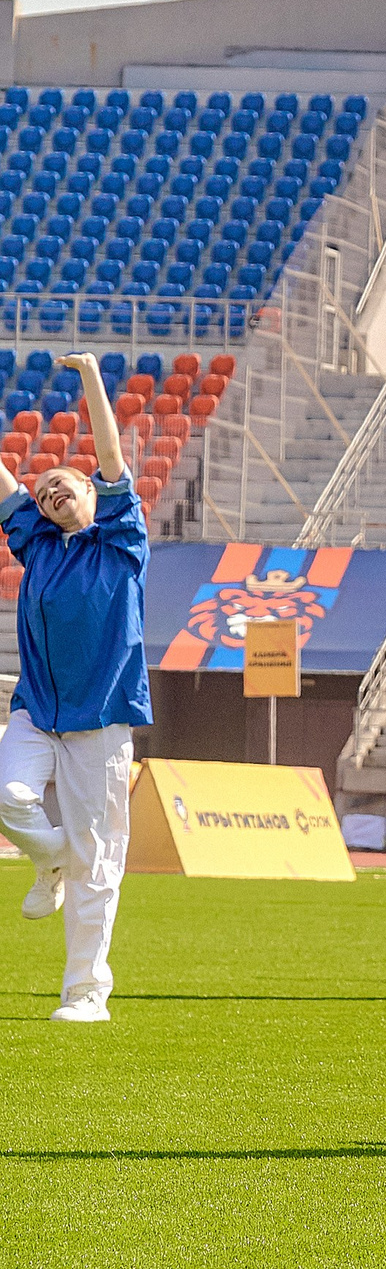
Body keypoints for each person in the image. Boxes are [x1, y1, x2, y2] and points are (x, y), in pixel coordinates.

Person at [0, 353, 148, 1024]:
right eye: (43, 491)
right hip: (36, 710)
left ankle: (86, 993)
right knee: (10, 796)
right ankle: (52, 859)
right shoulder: (37, 546)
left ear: (93, 493)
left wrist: (90, 375)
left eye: (65, 484)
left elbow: (111, 453)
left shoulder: (121, 542)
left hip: (101, 723)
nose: (52, 492)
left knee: (100, 863)